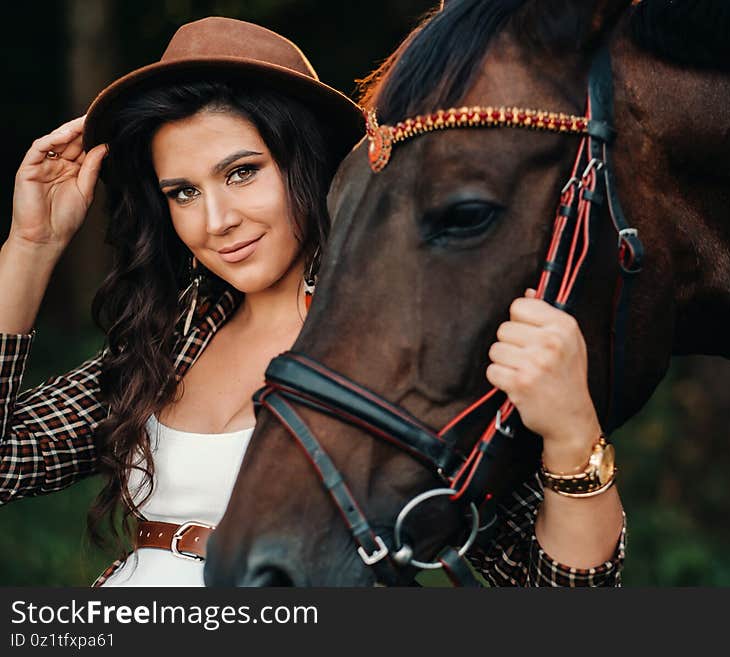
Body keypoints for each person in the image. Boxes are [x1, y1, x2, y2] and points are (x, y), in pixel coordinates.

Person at [0, 16, 624, 587]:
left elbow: (558, 595)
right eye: (184, 192)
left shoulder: (388, 349)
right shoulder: (170, 338)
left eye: (242, 172)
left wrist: (573, 434)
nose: (215, 219)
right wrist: (31, 246)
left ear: (305, 163)